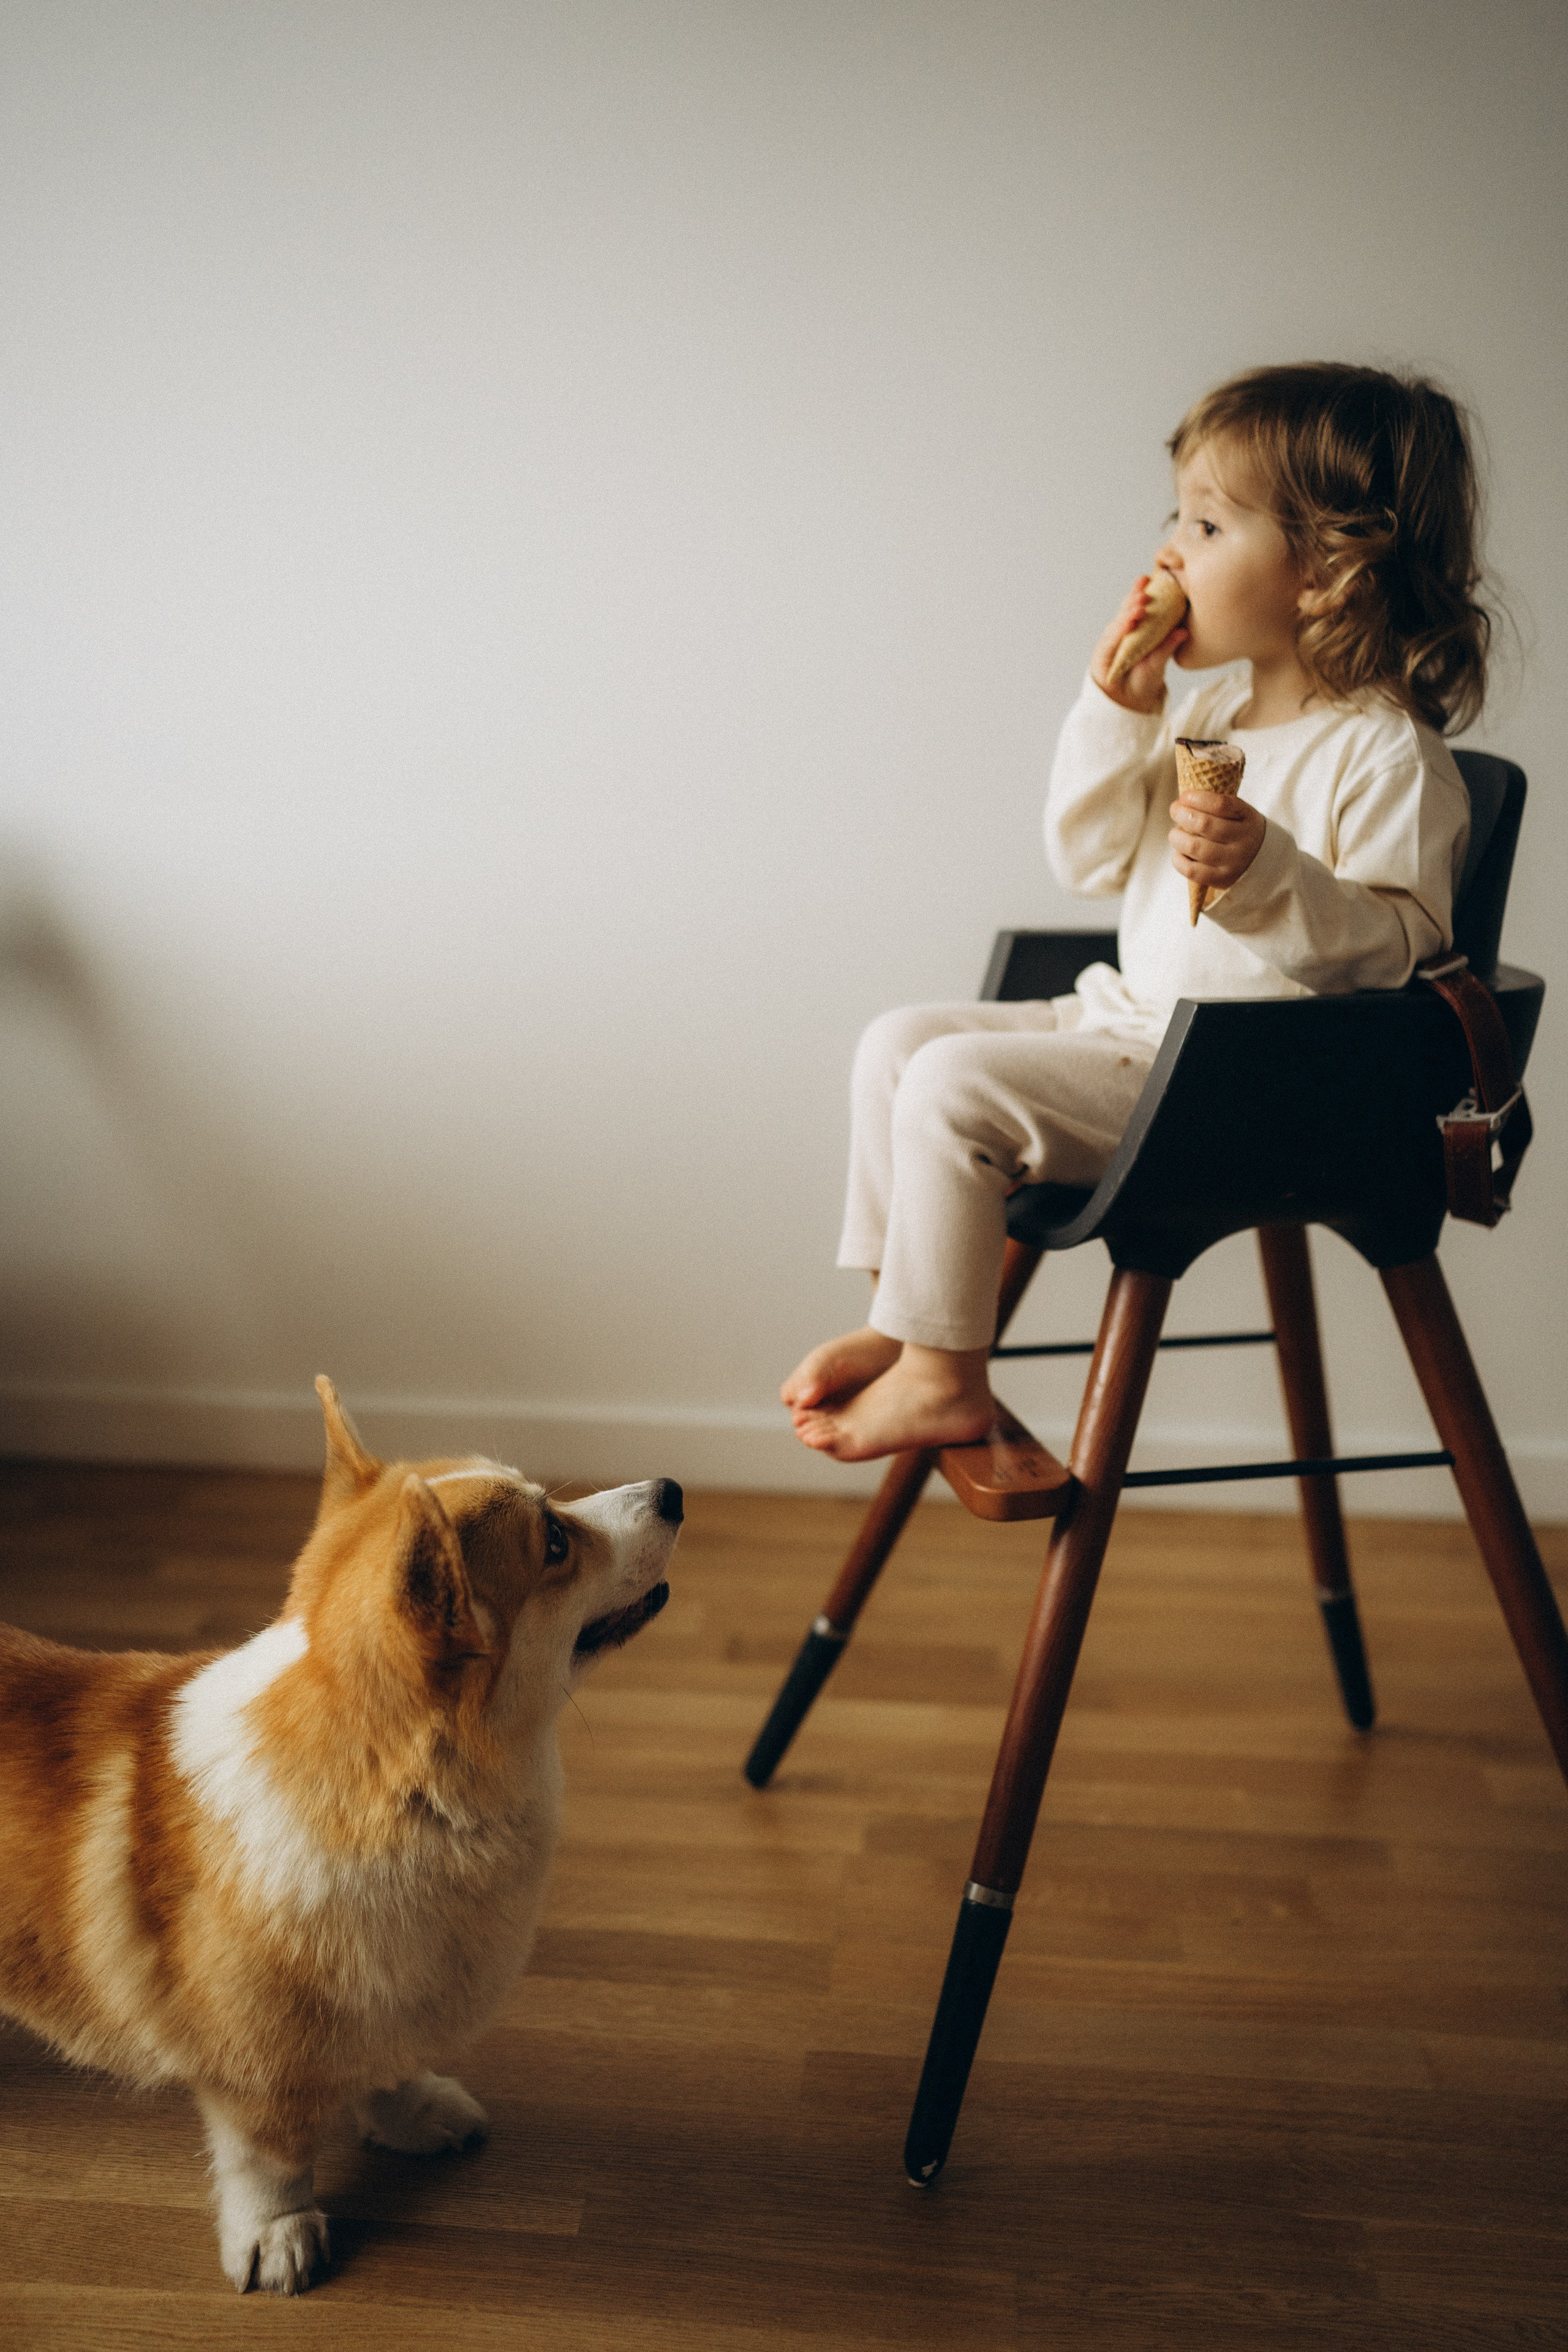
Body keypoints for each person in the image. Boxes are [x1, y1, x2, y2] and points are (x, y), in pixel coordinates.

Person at [783, 361, 1492, 1463]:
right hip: (1134, 1032)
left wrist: (1271, 876)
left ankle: (945, 1377)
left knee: (953, 1085)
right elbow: (1088, 858)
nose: (1171, 551)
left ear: (1327, 572)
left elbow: (1401, 949)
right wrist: (1120, 712)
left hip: (1245, 1083)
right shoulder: (1207, 713)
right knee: (897, 1046)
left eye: (1208, 525)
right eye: (1178, 517)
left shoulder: (1385, 752)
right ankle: (911, 1323)